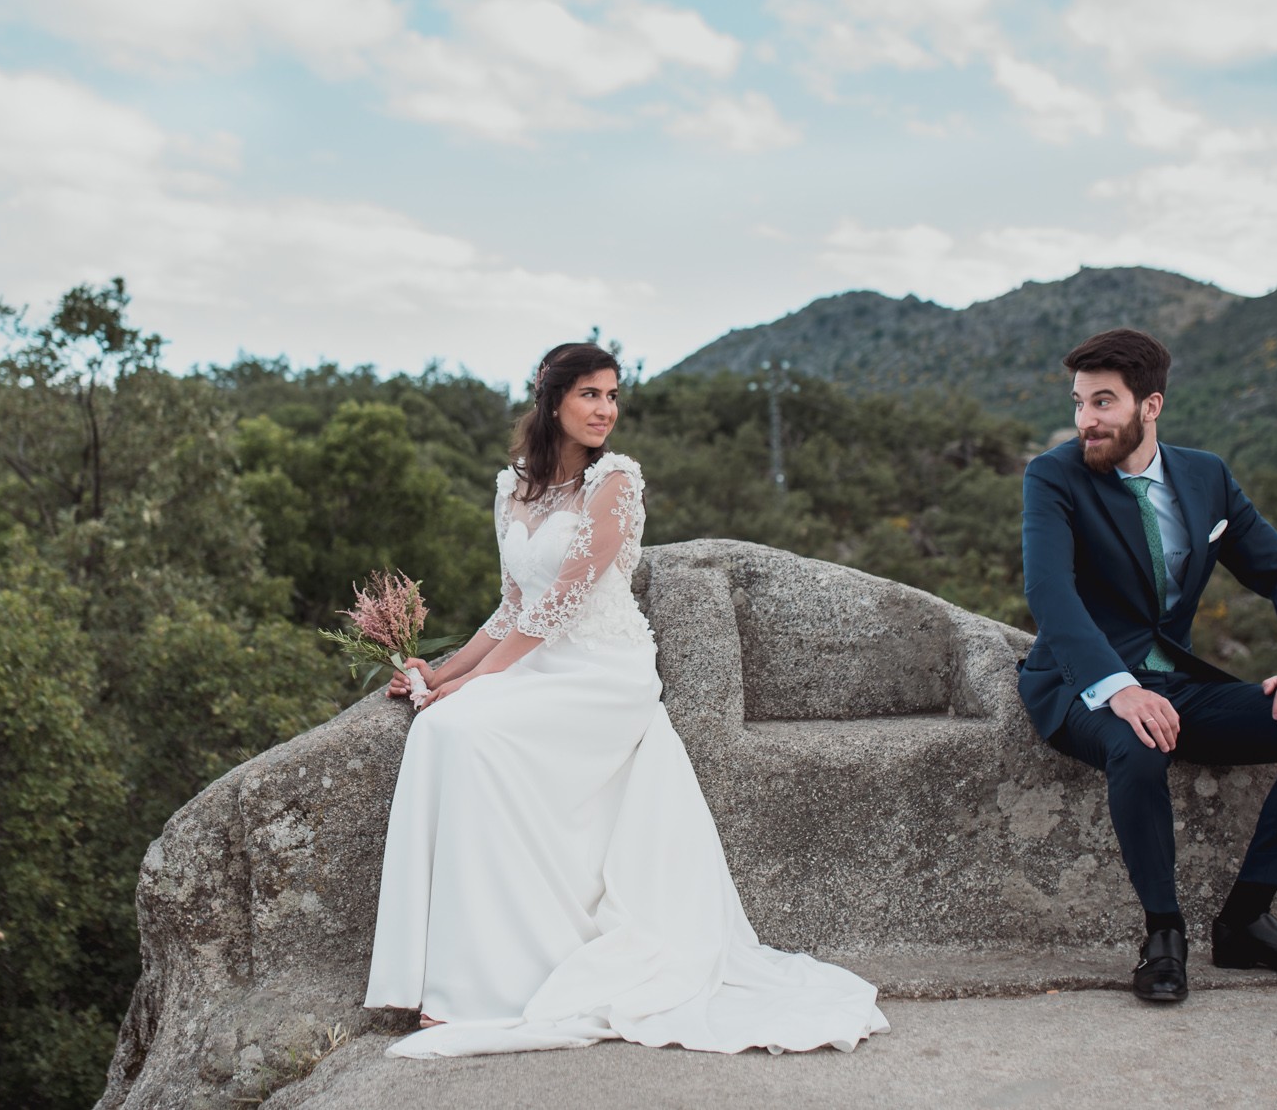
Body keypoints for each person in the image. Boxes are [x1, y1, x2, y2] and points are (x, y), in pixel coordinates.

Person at [364, 341, 889, 1058]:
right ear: (552, 400)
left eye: (612, 395)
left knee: (462, 729)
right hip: (540, 661)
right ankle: (448, 973)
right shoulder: (512, 487)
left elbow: (558, 606)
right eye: (590, 394)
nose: (605, 409)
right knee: (439, 730)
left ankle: (484, 988)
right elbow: (511, 606)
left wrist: (462, 686)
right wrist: (437, 671)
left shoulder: (615, 481)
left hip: (602, 672)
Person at [1019, 327, 1277, 1003]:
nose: (1087, 419)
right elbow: (1050, 594)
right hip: (1077, 683)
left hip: (1176, 680)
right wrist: (1117, 688)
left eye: (1105, 402)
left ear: (1151, 406)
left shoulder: (1205, 477)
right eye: (1080, 402)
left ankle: (1245, 923)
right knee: (1139, 744)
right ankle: (1163, 935)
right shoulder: (1053, 476)